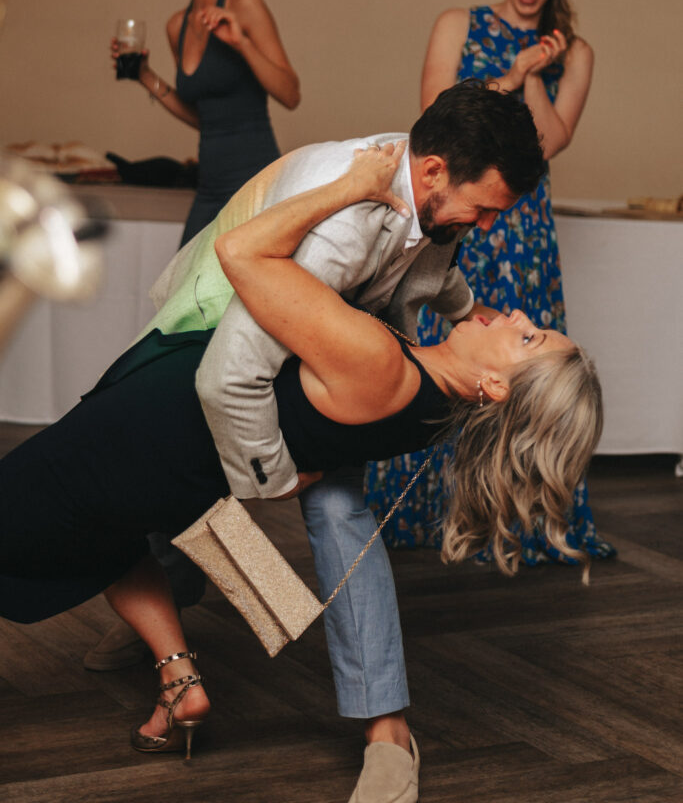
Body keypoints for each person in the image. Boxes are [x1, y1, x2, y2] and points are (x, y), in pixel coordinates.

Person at [0, 144, 602, 803]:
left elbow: (242, 254)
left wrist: (348, 187)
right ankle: (180, 681)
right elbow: (426, 290)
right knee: (109, 539)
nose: (514, 314)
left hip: (143, 439)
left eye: (526, 338)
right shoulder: (430, 399)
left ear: (491, 386)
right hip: (164, 453)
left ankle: (384, 732)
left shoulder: (378, 358)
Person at [366, 0, 612, 561]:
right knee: (446, 347)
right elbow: (434, 114)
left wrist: (536, 69)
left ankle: (514, 519)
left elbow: (551, 139)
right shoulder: (458, 23)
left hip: (525, 232)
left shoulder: (574, 52)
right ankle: (420, 513)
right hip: (462, 210)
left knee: (521, 372)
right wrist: (511, 67)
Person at [111, 0, 300, 247]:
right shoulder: (175, 26)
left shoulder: (246, 5)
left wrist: (241, 42)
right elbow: (206, 119)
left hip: (255, 182)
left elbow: (290, 94)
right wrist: (144, 75)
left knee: (241, 298)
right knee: (185, 296)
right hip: (209, 187)